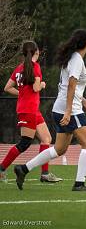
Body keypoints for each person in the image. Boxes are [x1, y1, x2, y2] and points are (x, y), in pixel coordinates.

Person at [14, 29, 86, 192]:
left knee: (59, 149)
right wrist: (68, 112)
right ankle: (79, 184)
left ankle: (23, 169)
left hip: (62, 108)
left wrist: (84, 101)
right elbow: (71, 85)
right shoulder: (77, 59)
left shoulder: (71, 58)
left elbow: (69, 86)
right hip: (70, 110)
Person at [0, 41, 62, 183]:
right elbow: (36, 88)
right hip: (28, 110)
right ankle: (1, 168)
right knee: (24, 143)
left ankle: (45, 174)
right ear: (37, 52)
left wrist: (22, 93)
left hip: (31, 109)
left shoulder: (19, 68)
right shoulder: (35, 67)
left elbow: (7, 87)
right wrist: (42, 84)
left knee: (46, 139)